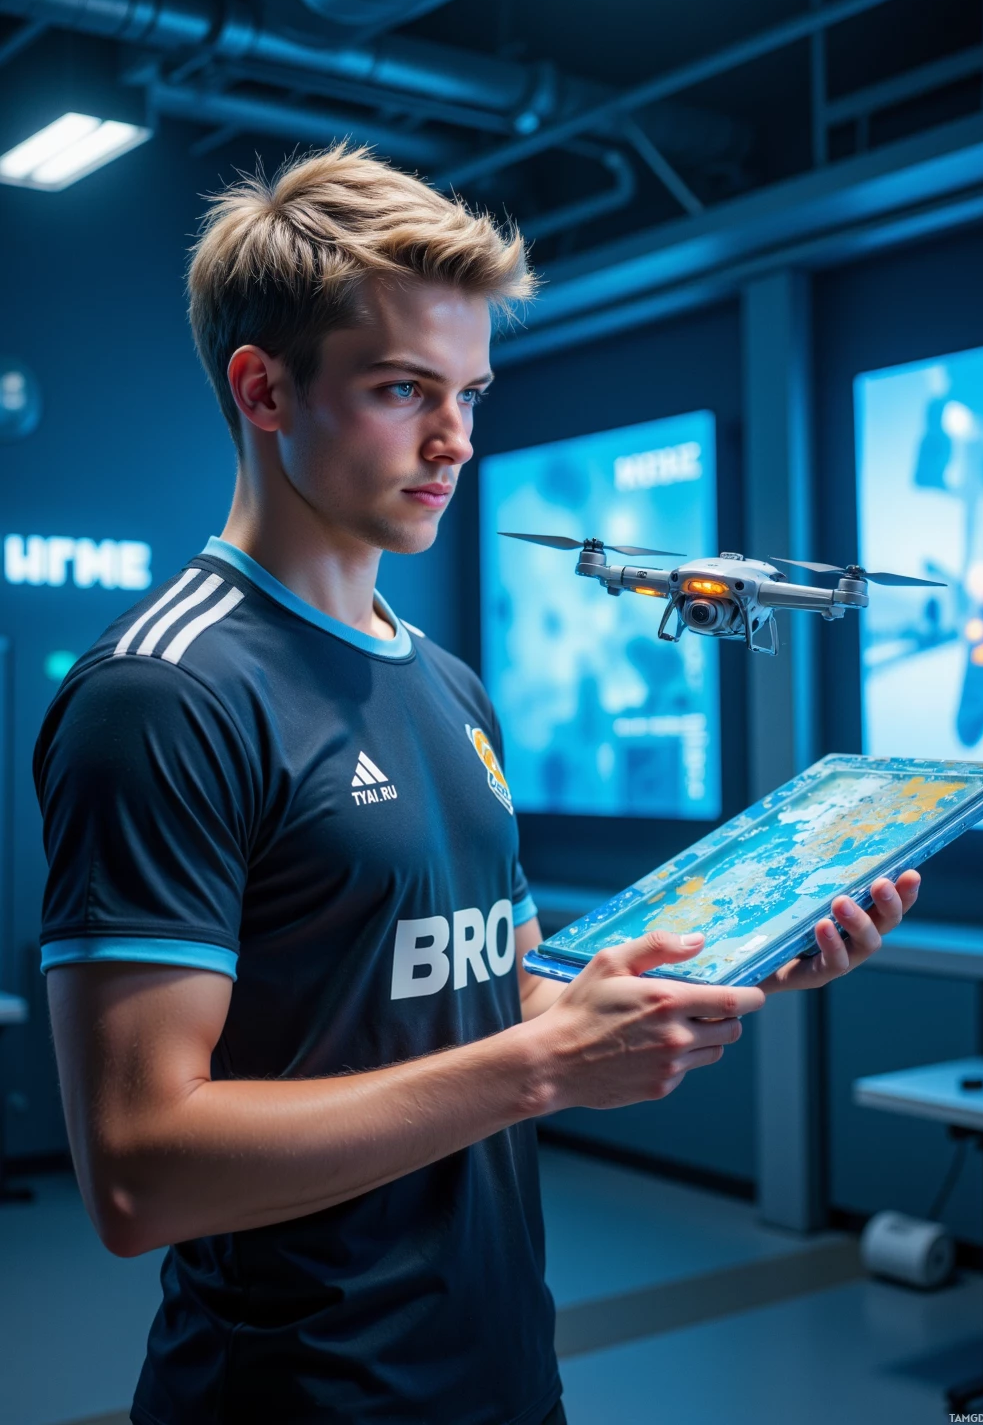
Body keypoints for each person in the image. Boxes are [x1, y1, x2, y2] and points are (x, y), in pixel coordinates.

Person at [35, 145, 919, 1425]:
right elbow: (139, 1179)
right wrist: (545, 1071)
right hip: (300, 1398)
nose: (452, 440)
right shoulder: (163, 694)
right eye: (403, 390)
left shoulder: (448, 685)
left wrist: (731, 955)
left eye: (470, 392)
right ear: (264, 389)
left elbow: (477, 996)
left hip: (501, 1369)